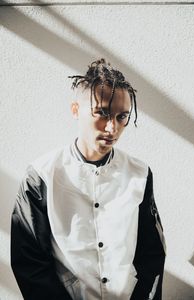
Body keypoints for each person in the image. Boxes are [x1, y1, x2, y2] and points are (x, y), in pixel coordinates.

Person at [11, 58, 166, 300]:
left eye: (122, 117)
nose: (112, 128)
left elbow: (152, 254)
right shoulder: (41, 175)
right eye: (102, 113)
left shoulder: (140, 173)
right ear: (76, 110)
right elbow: (29, 262)